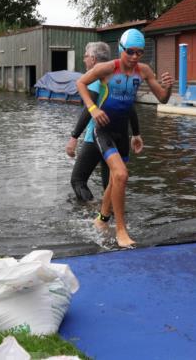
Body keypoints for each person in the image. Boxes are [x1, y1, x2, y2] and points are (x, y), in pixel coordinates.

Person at [76, 28, 174, 248]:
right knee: (121, 174)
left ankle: (101, 221)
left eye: (139, 53)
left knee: (115, 180)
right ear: (121, 49)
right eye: (130, 51)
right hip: (103, 130)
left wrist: (168, 88)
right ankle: (121, 230)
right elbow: (80, 83)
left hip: (123, 132)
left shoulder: (144, 71)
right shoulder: (107, 68)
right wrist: (92, 109)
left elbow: (163, 99)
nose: (134, 57)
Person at [65, 41, 143, 201]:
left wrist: (74, 137)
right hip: (118, 138)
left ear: (93, 59)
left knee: (78, 180)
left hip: (96, 137)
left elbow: (89, 108)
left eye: (86, 56)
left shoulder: (97, 74)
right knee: (110, 185)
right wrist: (135, 133)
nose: (84, 59)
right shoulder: (118, 73)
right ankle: (110, 218)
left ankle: (90, 211)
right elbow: (130, 108)